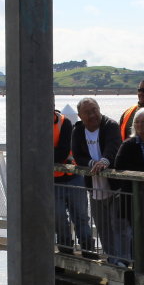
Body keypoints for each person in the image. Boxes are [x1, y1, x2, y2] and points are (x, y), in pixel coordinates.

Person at [70, 97, 123, 264]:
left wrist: (105, 161)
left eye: (95, 110)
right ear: (80, 116)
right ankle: (112, 258)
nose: (92, 115)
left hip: (114, 187)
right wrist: (92, 163)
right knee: (103, 226)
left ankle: (124, 260)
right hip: (94, 188)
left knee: (119, 226)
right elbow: (78, 155)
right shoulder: (78, 131)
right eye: (87, 112)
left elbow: (113, 146)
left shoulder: (110, 125)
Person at [113, 108, 144, 267]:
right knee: (138, 233)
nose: (140, 125)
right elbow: (119, 166)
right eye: (137, 122)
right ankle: (138, 266)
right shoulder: (129, 144)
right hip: (135, 198)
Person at [53, 107, 92, 253]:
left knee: (81, 217)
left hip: (73, 178)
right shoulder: (33, 124)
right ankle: (65, 252)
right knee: (59, 220)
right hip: (52, 182)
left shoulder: (65, 122)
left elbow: (63, 151)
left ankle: (89, 251)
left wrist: (43, 154)